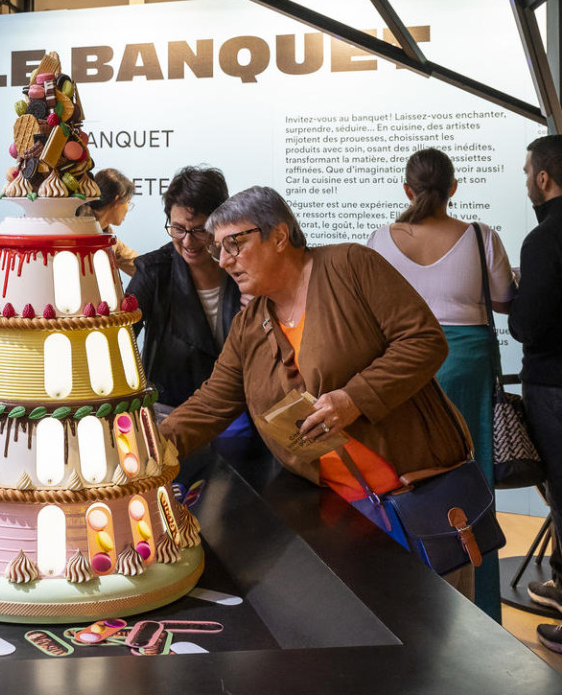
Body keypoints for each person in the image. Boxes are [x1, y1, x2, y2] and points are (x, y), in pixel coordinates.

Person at [159, 186, 474, 591]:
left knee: (444, 637)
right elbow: (212, 401)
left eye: (234, 244)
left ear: (278, 234)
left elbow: (424, 341)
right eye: (219, 249)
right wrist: (148, 449)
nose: (223, 261)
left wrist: (353, 399)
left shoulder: (350, 265)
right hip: (342, 513)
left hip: (419, 495)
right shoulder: (249, 325)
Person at [367, 147, 514, 622]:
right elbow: (503, 301)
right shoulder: (480, 237)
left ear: (407, 189)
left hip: (398, 363)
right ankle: (479, 612)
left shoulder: (379, 240)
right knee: (473, 483)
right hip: (464, 364)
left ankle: (407, 602)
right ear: (454, 188)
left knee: (401, 480)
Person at [126, 166, 242, 410]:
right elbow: (120, 339)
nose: (188, 241)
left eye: (200, 230)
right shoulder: (153, 271)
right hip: (172, 410)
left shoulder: (241, 267)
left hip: (236, 412)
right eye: (178, 229)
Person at [509, 134, 562, 653]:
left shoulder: (543, 240)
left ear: (543, 178)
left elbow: (529, 326)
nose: (526, 180)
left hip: (555, 385)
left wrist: (524, 293)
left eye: (527, 172)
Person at [76, 168, 138, 276]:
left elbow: (138, 266)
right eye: (128, 202)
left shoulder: (109, 237)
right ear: (116, 201)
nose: (128, 209)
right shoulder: (73, 229)